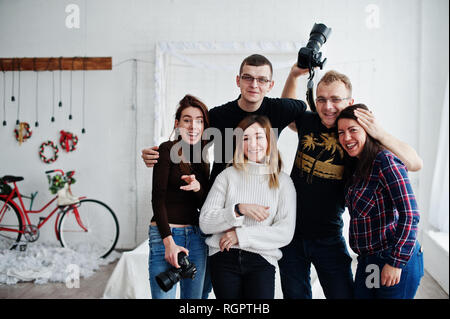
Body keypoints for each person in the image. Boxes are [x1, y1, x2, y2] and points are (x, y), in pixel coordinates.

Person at [142, 54, 308, 298]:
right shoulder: (219, 116)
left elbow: (300, 109)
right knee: (204, 289)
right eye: (248, 78)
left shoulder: (280, 109)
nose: (254, 85)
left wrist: (294, 76)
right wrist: (161, 153)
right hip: (219, 210)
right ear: (238, 80)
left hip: (257, 241)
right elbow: (192, 141)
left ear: (270, 85)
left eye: (262, 80)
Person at [278, 67, 423, 299]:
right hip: (292, 234)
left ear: (350, 102)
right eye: (321, 100)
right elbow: (287, 113)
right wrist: (295, 75)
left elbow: (414, 163)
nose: (328, 107)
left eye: (336, 99)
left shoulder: (359, 138)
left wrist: (380, 133)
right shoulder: (309, 121)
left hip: (330, 237)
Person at [199, 115, 296, 299]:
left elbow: (285, 232)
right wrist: (238, 209)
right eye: (245, 138)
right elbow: (205, 222)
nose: (253, 144)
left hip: (262, 260)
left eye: (259, 136)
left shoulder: (283, 182)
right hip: (223, 257)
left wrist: (240, 235)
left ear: (269, 140)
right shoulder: (227, 176)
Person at [337, 104, 423, 299]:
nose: (346, 138)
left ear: (368, 131)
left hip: (392, 257)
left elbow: (410, 214)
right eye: (341, 132)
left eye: (353, 130)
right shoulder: (356, 167)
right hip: (370, 262)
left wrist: (395, 262)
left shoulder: (385, 161)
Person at [149, 94, 210, 299]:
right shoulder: (167, 149)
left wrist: (198, 187)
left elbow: (206, 204)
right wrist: (169, 243)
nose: (193, 126)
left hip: (196, 237)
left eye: (199, 121)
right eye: (187, 120)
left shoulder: (202, 155)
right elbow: (157, 199)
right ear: (177, 124)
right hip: (166, 234)